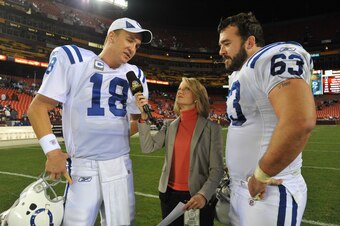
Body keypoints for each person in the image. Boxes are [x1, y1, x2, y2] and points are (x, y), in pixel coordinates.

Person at [28, 17, 153, 226]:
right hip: (83, 165)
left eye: (137, 45)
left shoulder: (135, 76)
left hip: (120, 166)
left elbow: (132, 124)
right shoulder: (74, 59)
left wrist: (141, 118)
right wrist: (52, 151)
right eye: (129, 40)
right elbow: (37, 107)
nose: (133, 48)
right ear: (111, 37)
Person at [218, 12, 316, 226]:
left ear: (250, 41)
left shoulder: (271, 56)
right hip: (244, 191)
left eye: (226, 43)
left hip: (268, 191)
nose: (221, 51)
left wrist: (262, 174)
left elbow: (300, 120)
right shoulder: (239, 73)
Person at [135, 77, 224, 226]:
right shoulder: (169, 126)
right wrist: (143, 118)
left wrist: (203, 195)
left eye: (186, 89)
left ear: (196, 96)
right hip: (168, 195)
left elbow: (217, 169)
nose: (180, 91)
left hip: (196, 196)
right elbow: (147, 147)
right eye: (179, 89)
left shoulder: (212, 129)